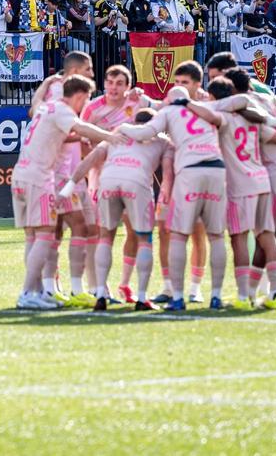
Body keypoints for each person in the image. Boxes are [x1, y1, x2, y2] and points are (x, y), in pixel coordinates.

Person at [114, 80, 227, 312]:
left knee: (178, 235)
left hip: (189, 171)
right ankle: (214, 295)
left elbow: (146, 130)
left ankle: (178, 295)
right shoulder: (207, 109)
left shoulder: (169, 111)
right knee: (215, 236)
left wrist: (120, 129)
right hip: (216, 169)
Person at [12, 75, 115, 310]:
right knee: (46, 235)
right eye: (86, 99)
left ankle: (36, 291)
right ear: (79, 96)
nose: (85, 105)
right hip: (38, 178)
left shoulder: (46, 107)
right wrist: (112, 136)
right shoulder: (62, 110)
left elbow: (36, 102)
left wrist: (46, 83)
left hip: (21, 173)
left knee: (33, 236)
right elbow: (82, 127)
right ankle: (28, 292)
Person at [68, 109, 171, 311]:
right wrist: (166, 194)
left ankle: (100, 294)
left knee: (106, 237)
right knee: (144, 239)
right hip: (137, 182)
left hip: (109, 180)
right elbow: (167, 172)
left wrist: (70, 185)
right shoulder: (162, 141)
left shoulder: (117, 135)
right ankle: (142, 297)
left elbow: (91, 159)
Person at [204, 76, 276, 309]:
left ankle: (244, 297)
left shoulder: (221, 119)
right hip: (261, 180)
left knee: (239, 238)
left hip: (240, 185)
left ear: (213, 98)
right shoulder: (251, 119)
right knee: (266, 236)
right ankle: (275, 294)